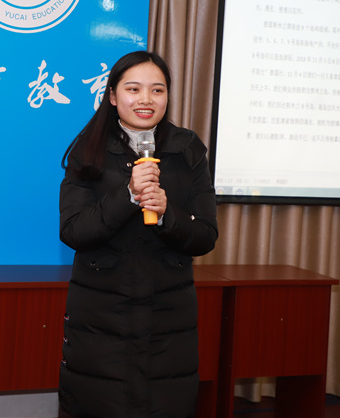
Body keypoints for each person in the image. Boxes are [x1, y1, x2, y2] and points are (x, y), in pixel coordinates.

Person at [58, 50, 219, 418]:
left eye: (157, 90)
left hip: (168, 322)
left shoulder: (188, 150)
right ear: (113, 96)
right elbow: (74, 230)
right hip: (102, 320)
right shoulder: (88, 150)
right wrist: (129, 195)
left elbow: (206, 235)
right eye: (134, 89)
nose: (146, 99)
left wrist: (166, 215)